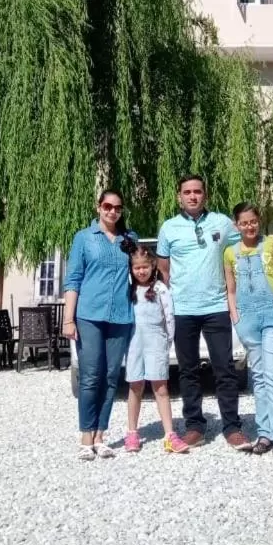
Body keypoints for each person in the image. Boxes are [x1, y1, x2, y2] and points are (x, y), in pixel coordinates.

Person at [156, 174, 273, 451]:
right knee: (187, 370)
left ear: (205, 195)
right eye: (187, 192)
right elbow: (164, 270)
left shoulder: (222, 223)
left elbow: (250, 235)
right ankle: (194, 426)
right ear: (179, 196)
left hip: (216, 307)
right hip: (183, 309)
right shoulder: (168, 228)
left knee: (225, 368)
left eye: (198, 192)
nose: (193, 196)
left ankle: (232, 427)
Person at [225, 202, 273, 461]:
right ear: (237, 225)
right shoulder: (230, 252)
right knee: (258, 377)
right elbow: (231, 288)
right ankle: (264, 433)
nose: (249, 226)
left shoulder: (271, 245)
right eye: (244, 223)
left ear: (259, 221)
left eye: (253, 221)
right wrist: (235, 315)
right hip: (247, 319)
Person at [63, 190, 136, 461]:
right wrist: (68, 318)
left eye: (117, 207)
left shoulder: (129, 239)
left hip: (121, 316)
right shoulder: (83, 238)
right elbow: (73, 279)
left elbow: (142, 270)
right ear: (99, 207)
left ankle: (101, 435)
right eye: (107, 206)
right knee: (91, 375)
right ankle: (85, 436)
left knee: (111, 376)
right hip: (89, 316)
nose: (112, 211)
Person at [124, 246, 189, 455]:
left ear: (152, 266)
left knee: (160, 387)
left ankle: (169, 434)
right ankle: (132, 431)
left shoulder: (161, 289)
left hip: (156, 342)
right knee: (135, 386)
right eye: (137, 268)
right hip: (135, 343)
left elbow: (169, 316)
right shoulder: (129, 290)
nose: (141, 271)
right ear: (131, 269)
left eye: (145, 267)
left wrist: (167, 341)